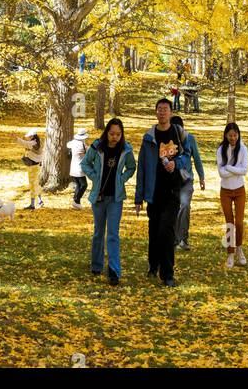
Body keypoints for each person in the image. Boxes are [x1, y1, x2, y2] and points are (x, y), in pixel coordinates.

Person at [134, 98, 191, 286]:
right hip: (154, 191)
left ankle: (167, 274)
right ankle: (153, 264)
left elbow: (187, 157)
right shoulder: (148, 137)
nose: (162, 112)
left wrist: (176, 163)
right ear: (155, 112)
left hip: (173, 190)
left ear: (171, 113)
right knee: (154, 230)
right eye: (159, 109)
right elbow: (141, 167)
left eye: (165, 109)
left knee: (167, 230)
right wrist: (139, 197)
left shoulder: (178, 133)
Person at [81, 117, 137, 284]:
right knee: (98, 232)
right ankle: (96, 265)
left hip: (115, 198)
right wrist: (94, 177)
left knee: (113, 234)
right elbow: (85, 164)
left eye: (118, 134)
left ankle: (114, 271)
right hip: (98, 197)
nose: (115, 137)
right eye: (112, 133)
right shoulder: (97, 146)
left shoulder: (125, 149)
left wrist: (121, 178)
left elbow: (131, 167)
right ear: (106, 132)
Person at [171, 113, 206, 250]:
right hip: (172, 182)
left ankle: (183, 239)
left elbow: (196, 158)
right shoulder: (167, 140)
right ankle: (174, 239)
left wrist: (201, 177)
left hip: (186, 180)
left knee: (184, 206)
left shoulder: (190, 139)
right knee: (173, 209)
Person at [217, 121, 248, 268]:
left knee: (239, 222)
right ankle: (230, 253)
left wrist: (229, 167)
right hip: (226, 191)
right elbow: (221, 174)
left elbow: (244, 170)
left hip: (239, 189)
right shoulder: (221, 150)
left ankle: (239, 249)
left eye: (235, 135)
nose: (233, 138)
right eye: (230, 135)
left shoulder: (243, 149)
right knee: (229, 222)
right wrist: (234, 169)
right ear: (226, 135)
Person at [15, 128, 43, 210]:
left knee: (32, 185)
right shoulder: (39, 141)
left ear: (32, 136)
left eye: (29, 136)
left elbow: (25, 143)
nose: (28, 137)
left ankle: (32, 204)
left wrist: (17, 138)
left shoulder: (32, 143)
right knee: (37, 184)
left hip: (32, 167)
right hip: (38, 166)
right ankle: (40, 201)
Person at [67, 126, 88, 207]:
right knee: (84, 185)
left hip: (73, 168)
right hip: (79, 168)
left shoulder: (73, 142)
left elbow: (67, 145)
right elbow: (88, 152)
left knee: (79, 185)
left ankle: (76, 201)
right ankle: (76, 200)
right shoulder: (82, 145)